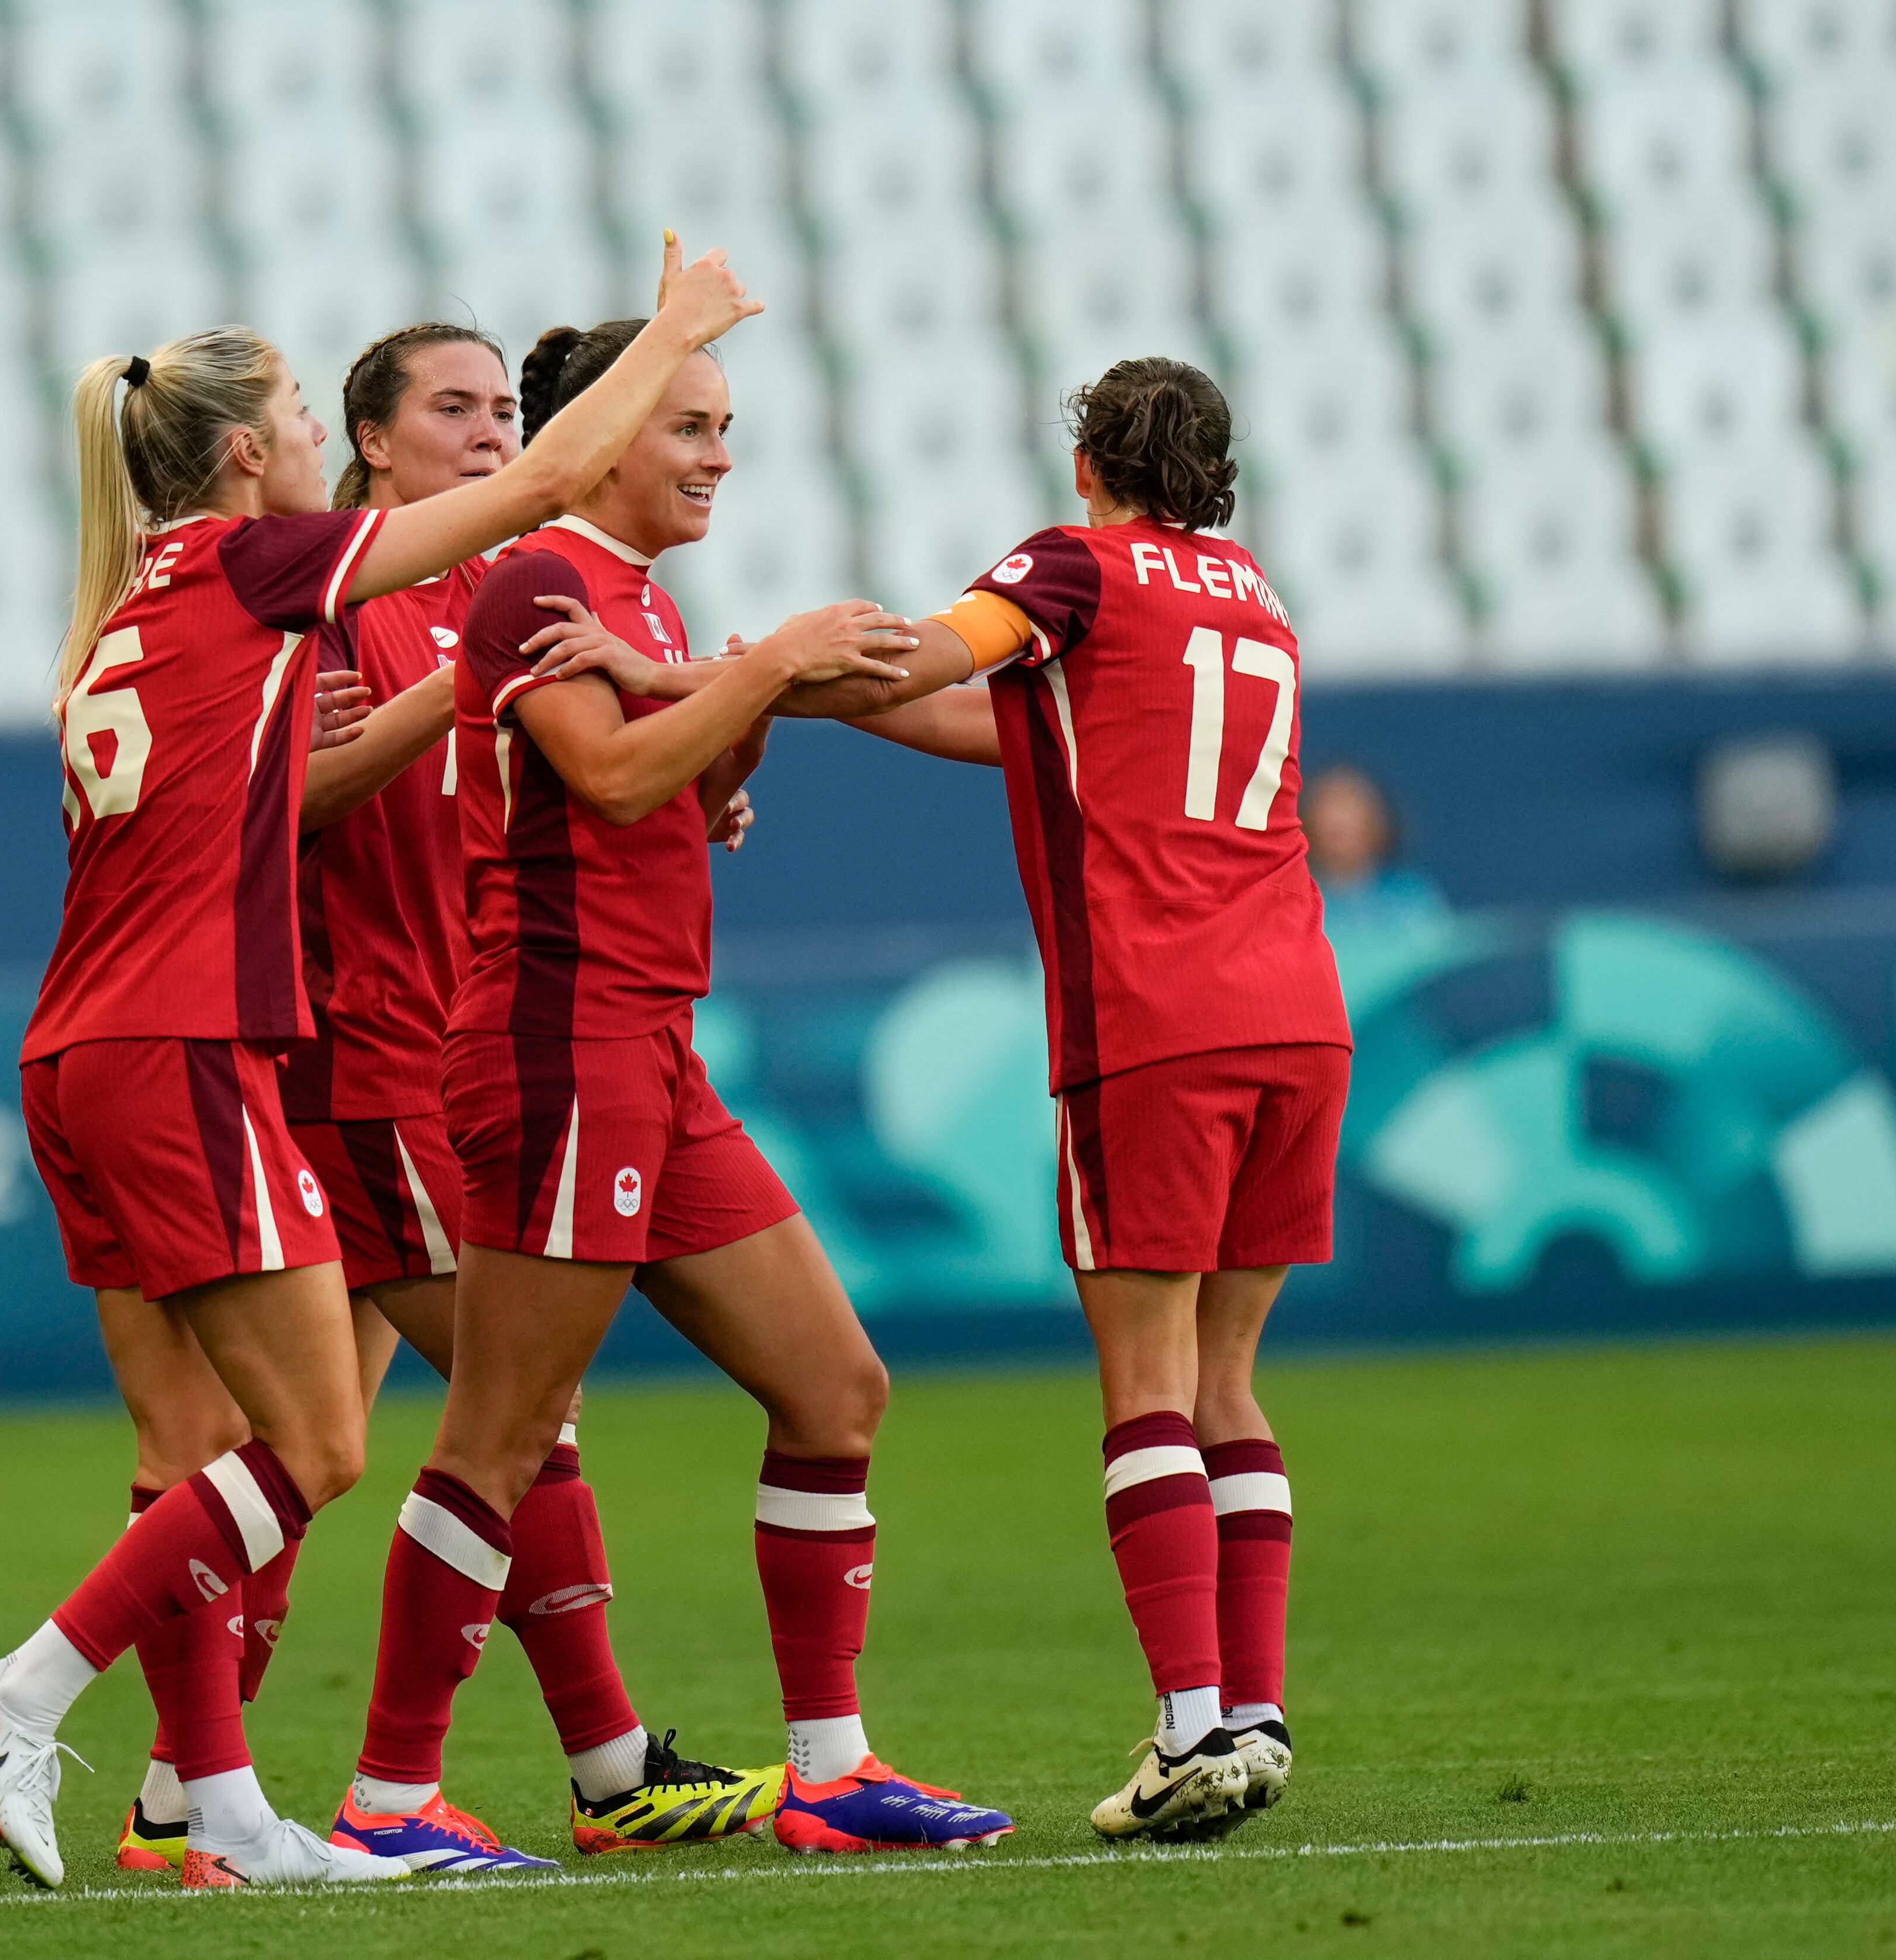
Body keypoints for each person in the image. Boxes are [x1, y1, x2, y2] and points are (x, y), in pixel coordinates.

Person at [0, 235, 779, 1893]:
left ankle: (219, 1805)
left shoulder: (126, 611)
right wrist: (679, 325)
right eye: (316, 419)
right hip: (204, 1047)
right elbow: (546, 475)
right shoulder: (267, 572)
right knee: (333, 1441)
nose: (320, 440)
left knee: (219, 1451)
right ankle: (24, 1691)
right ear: (252, 452)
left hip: (90, 1047)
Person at [331, 316, 1019, 1867]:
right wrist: (760, 668)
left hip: (651, 1049)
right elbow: (622, 780)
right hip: (559, 1042)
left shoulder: (633, 596)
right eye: (693, 424)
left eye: (725, 426)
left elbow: (684, 798)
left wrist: (739, 708)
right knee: (502, 1434)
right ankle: (385, 1797)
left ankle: (829, 1770)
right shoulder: (533, 578)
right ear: (617, 433)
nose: (720, 454)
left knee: (836, 1389)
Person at [814, 356, 1351, 1840]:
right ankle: (1247, 1715)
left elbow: (931, 656)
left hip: (1156, 1016)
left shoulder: (1073, 567)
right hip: (1297, 1011)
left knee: (1144, 1384)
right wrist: (816, 710)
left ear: (1088, 467)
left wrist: (744, 672)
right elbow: (1018, 732)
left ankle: (1186, 1723)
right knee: (1226, 1379)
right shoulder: (1248, 595)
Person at [1302, 761, 1448, 936]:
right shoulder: (1300, 903)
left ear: (1375, 823)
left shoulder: (1410, 894)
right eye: (1328, 807)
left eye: (1350, 806)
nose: (1339, 820)